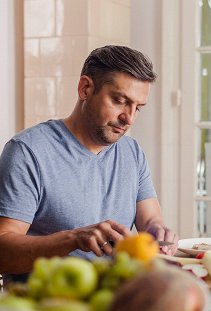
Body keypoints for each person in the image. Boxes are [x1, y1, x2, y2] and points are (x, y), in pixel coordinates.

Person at [0, 45, 179, 277]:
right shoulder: (28, 152)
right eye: (120, 100)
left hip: (114, 295)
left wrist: (157, 230)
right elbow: (3, 252)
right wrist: (73, 238)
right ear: (85, 88)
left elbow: (150, 219)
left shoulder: (132, 151)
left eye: (138, 108)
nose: (129, 118)